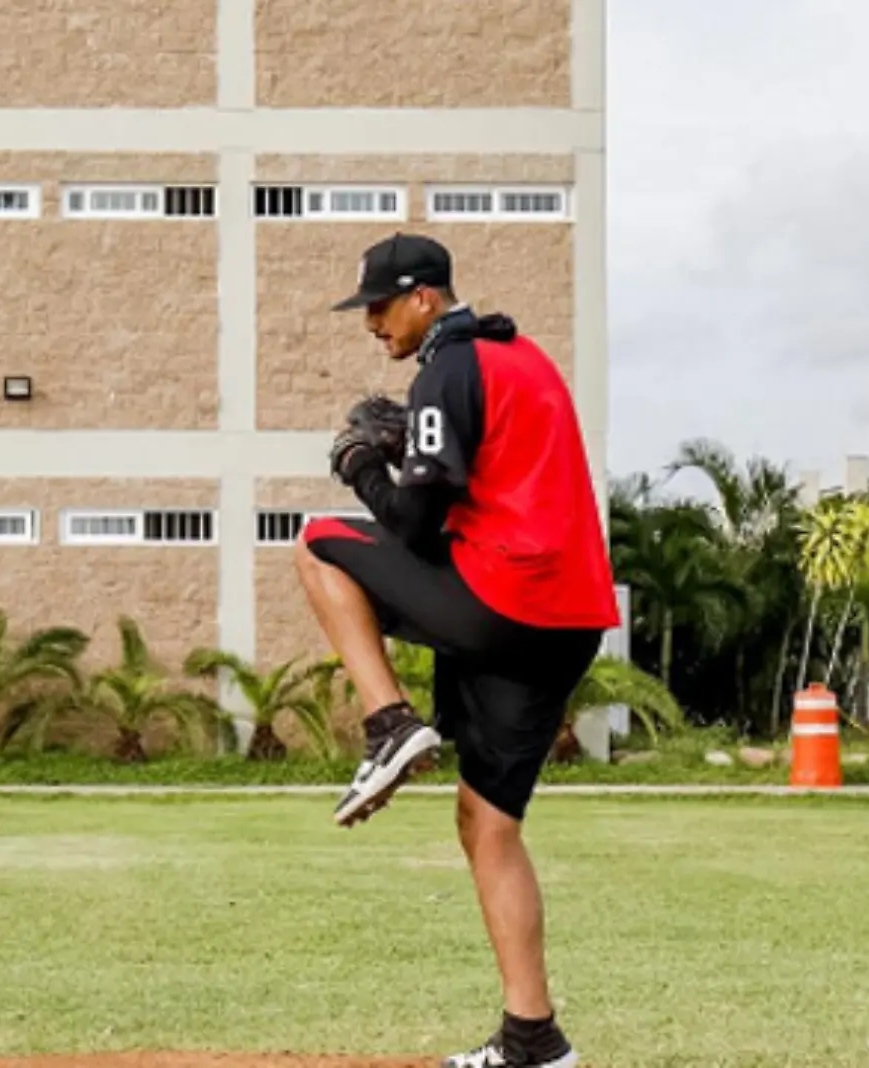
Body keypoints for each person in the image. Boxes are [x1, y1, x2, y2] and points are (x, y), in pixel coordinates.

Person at [299, 232, 618, 1068]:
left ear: (425, 297)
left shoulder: (450, 364)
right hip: (567, 621)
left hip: (505, 601)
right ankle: (534, 1042)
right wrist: (407, 451)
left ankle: (387, 723)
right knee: (488, 824)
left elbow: (413, 521)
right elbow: (485, 482)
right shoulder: (524, 358)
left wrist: (366, 466)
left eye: (379, 304)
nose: (371, 323)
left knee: (317, 542)